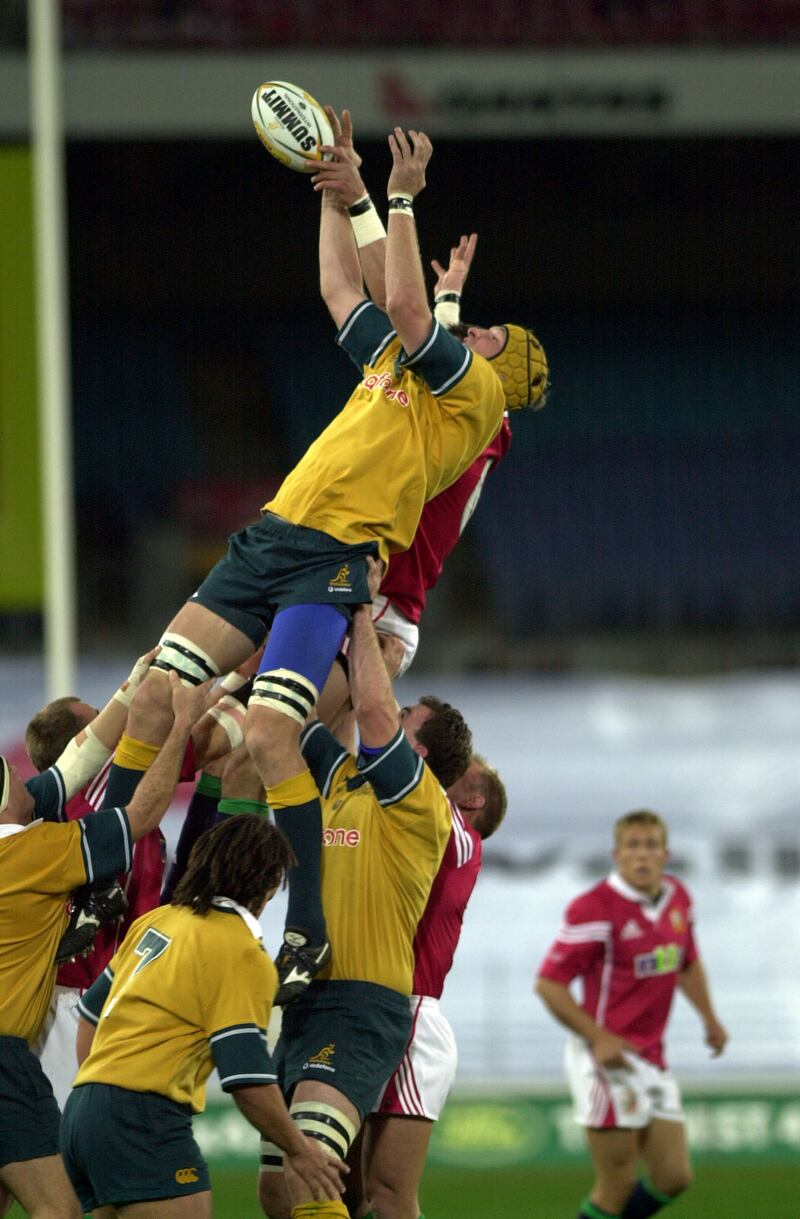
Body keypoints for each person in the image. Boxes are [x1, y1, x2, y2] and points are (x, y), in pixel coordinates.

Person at [118, 115, 547, 998]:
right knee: (176, 700)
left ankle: (296, 919)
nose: (472, 333)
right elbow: (347, 296)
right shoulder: (418, 380)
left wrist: (382, 198)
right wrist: (335, 192)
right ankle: (140, 886)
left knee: (271, 739)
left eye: (488, 335)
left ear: (505, 379)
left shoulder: (476, 412)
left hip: (366, 583)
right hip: (295, 545)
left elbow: (408, 316)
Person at [257, 565, 472, 1219]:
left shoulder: (420, 804)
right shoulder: (347, 780)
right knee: (277, 1190)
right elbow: (311, 718)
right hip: (306, 998)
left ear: (422, 754)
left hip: (360, 1005)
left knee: (313, 1181)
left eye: (409, 717)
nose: (393, 711)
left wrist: (359, 617)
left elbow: (373, 707)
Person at [0, 673, 212, 1219]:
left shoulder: (24, 834)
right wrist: (183, 717)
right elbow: (140, 814)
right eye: (14, 779)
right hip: (15, 1049)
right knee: (64, 1206)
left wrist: (137, 682)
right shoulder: (35, 851)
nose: (29, 780)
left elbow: (73, 762)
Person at [62, 814, 346, 1218]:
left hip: (84, 1112)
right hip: (142, 1116)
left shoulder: (157, 922)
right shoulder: (241, 953)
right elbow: (246, 1079)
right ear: (267, 885)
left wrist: (102, 1094)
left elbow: (91, 1015)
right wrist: (300, 1149)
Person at [535, 810, 729, 1219]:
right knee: (617, 1185)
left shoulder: (678, 898)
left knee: (673, 1176)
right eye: (633, 846)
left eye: (651, 846)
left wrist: (710, 1019)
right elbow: (549, 984)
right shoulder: (594, 908)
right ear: (617, 854)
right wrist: (598, 1037)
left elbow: (687, 962)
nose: (642, 855)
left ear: (665, 853)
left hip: (652, 1056)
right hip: (607, 1059)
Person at [348, 754, 507, 1219]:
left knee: (389, 1192)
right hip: (361, 1008)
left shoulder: (460, 838)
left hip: (409, 1022)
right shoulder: (413, 835)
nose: (442, 766)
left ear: (472, 800)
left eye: (461, 766)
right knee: (342, 1191)